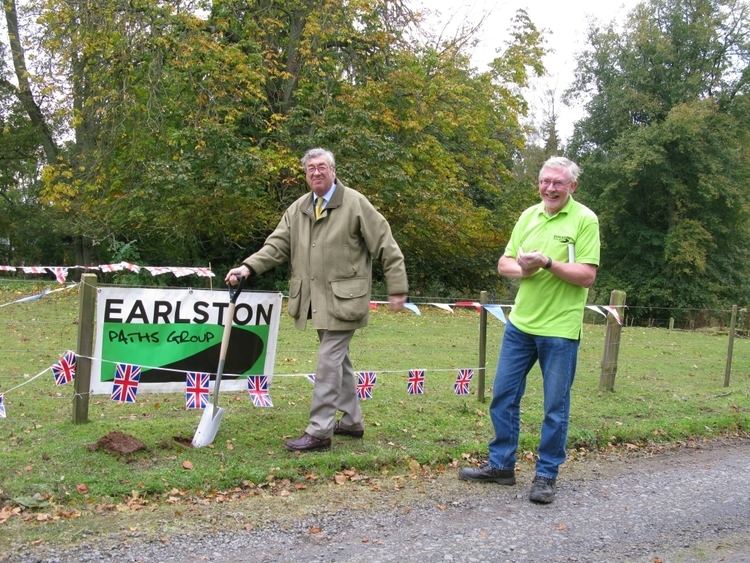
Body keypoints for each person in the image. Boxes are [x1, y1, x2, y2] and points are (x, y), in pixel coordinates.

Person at [225, 147, 408, 452]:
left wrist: (397, 287)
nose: (316, 173)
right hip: (315, 301)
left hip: (345, 300)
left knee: (327, 362)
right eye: (310, 169)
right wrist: (247, 267)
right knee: (338, 361)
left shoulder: (355, 203)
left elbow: (386, 245)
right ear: (305, 175)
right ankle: (352, 421)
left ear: (333, 171)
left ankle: (319, 431)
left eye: (322, 167)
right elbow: (276, 246)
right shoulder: (298, 209)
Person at [459, 156, 600, 504]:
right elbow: (503, 262)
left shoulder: (585, 219)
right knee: (503, 396)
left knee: (555, 406)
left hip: (561, 329)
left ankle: (546, 475)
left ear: (572, 187)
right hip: (520, 325)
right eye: (545, 181)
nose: (550, 188)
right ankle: (501, 466)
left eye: (558, 183)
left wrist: (548, 263)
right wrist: (524, 269)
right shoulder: (528, 216)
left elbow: (587, 275)